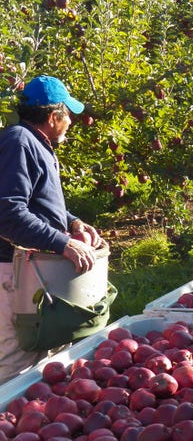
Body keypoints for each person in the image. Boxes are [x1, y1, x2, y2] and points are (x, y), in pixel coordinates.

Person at [0, 75, 104, 383]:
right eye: (67, 114)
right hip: (13, 274)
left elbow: (36, 201)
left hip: (35, 272)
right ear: (52, 116)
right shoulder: (18, 142)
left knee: (46, 358)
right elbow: (8, 212)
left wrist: (72, 222)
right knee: (16, 362)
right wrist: (64, 243)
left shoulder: (35, 143)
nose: (71, 121)